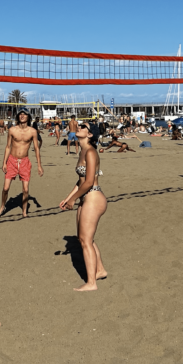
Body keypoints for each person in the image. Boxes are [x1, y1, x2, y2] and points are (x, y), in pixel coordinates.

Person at [60, 123, 108, 290]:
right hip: (85, 197)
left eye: (83, 126)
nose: (78, 126)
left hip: (94, 197)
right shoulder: (82, 151)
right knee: (84, 238)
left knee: (86, 240)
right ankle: (100, 270)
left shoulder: (91, 152)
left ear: (89, 134)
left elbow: (88, 182)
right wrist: (68, 198)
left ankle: (91, 283)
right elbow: (80, 181)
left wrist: (74, 199)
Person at [0, 110, 44, 217]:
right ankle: (2, 207)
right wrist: (4, 162)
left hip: (25, 162)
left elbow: (36, 148)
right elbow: (8, 147)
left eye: (24, 114)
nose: (22, 116)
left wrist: (39, 165)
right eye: (20, 114)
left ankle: (24, 211)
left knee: (25, 189)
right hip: (12, 160)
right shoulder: (12, 130)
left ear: (28, 117)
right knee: (5, 188)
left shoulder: (32, 131)